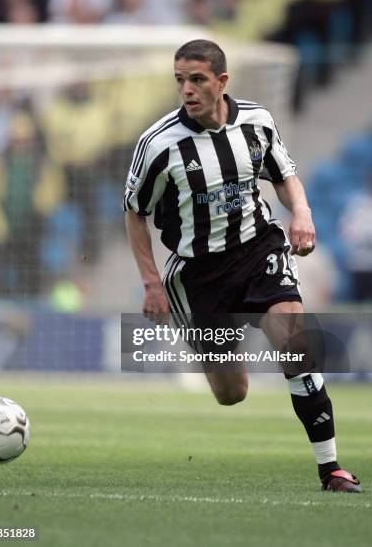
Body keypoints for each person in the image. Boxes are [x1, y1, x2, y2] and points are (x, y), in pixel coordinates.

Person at [124, 39, 362, 493]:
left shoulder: (257, 121)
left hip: (258, 250)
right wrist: (151, 282)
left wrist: (303, 215)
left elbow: (285, 174)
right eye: (180, 81)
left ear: (222, 82)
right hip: (197, 275)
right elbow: (134, 210)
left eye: (197, 80)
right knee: (231, 394)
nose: (187, 90)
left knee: (295, 340)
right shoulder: (157, 144)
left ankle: (331, 469)